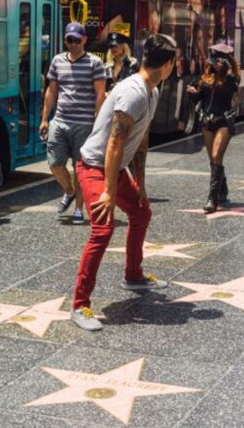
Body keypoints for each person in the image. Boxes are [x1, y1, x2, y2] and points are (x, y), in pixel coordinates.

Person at [69, 34, 178, 331]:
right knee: (103, 229)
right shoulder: (133, 93)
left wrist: (139, 185)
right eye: (174, 63)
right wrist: (108, 190)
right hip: (94, 166)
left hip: (114, 169)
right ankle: (80, 305)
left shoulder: (151, 92)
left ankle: (133, 274)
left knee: (141, 212)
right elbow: (115, 143)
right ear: (167, 64)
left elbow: (139, 142)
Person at [40, 22, 107, 225]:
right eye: (69, 40)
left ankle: (78, 208)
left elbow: (100, 94)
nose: (73, 44)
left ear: (85, 40)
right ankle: (69, 191)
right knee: (55, 164)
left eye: (77, 40)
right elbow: (52, 91)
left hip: (84, 123)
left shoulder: (95, 63)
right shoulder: (57, 61)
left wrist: (98, 122)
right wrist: (44, 119)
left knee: (80, 168)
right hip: (60, 121)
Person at [187, 45, 239, 213]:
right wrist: (193, 92)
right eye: (214, 61)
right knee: (213, 160)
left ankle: (212, 199)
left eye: (220, 61)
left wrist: (229, 70)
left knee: (217, 156)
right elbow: (199, 97)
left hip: (224, 120)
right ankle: (222, 187)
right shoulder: (205, 77)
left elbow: (232, 91)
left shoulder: (231, 78)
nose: (216, 64)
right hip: (208, 121)